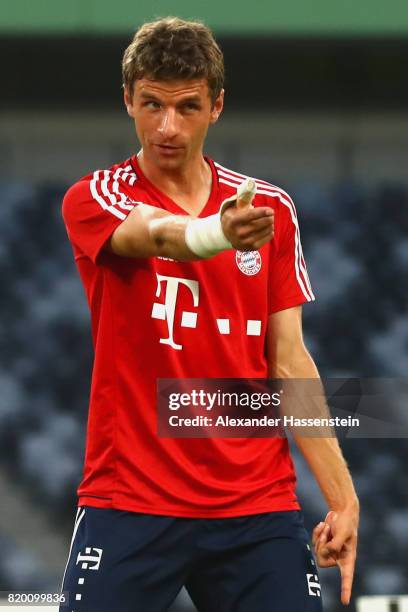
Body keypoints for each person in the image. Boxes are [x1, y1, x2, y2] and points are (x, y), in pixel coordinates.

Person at [60, 16, 359, 612]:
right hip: (131, 503)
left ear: (217, 106)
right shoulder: (95, 197)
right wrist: (217, 232)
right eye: (151, 105)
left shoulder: (270, 208)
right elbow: (156, 236)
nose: (167, 126)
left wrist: (343, 497)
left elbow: (289, 359)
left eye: (187, 107)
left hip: (256, 506)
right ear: (128, 100)